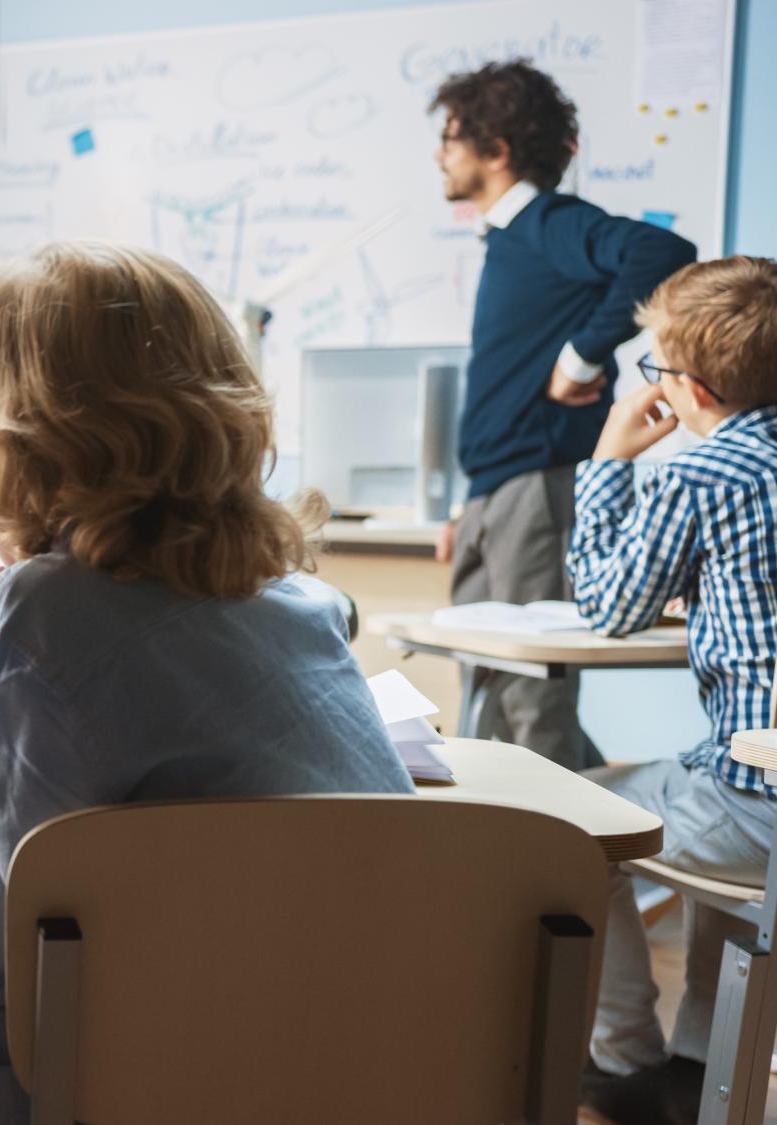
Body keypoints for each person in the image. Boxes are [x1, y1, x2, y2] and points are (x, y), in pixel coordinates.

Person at [0, 242, 414, 1125]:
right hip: (352, 1072)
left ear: (12, 433)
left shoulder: (44, 605)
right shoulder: (301, 599)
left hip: (144, 1085)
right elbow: (160, 672)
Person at [429, 60, 696, 769]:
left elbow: (663, 252)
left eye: (452, 138)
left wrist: (583, 353)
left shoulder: (548, 222)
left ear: (497, 150)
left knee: (531, 704)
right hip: (496, 491)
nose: (439, 154)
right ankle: (585, 856)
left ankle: (586, 875)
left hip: (535, 492)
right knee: (488, 702)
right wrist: (469, 504)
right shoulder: (507, 240)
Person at [569, 257, 777, 1124]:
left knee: (574, 821)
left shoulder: (703, 473)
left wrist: (607, 458)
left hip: (759, 800)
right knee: (690, 788)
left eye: (656, 369)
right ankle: (702, 1057)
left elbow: (608, 605)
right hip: (757, 789)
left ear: (689, 387)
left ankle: (624, 1059)